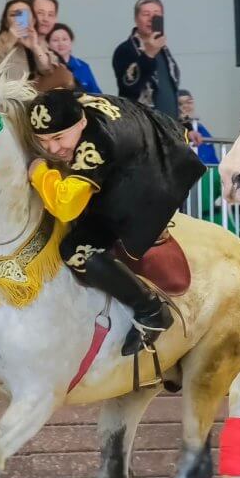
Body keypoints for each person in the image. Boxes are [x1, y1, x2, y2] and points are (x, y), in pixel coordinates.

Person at [26, 88, 205, 355]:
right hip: (160, 141)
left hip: (150, 183)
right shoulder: (82, 102)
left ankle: (151, 311)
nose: (52, 148)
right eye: (42, 140)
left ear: (82, 122)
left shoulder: (94, 145)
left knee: (75, 250)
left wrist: (39, 172)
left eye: (58, 137)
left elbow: (65, 206)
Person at [0, 0, 73, 91]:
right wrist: (9, 43)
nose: (18, 18)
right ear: (6, 22)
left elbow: (48, 70)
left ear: (33, 20)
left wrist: (35, 47)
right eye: (13, 15)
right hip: (8, 98)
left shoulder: (38, 41)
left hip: (36, 99)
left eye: (23, 14)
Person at [112, 0, 180, 118]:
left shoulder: (164, 50)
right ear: (136, 19)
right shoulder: (125, 50)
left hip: (169, 126)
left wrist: (186, 126)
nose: (151, 18)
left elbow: (171, 91)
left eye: (156, 13)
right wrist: (148, 55)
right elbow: (128, 88)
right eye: (146, 14)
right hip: (142, 124)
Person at [46, 23, 100, 93]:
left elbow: (96, 93)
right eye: (55, 40)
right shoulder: (46, 68)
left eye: (64, 39)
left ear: (71, 41)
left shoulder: (83, 66)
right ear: (47, 44)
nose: (61, 43)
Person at [177, 89, 217, 165]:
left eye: (189, 102)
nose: (185, 106)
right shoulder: (171, 130)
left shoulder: (201, 130)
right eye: (180, 104)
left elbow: (212, 160)